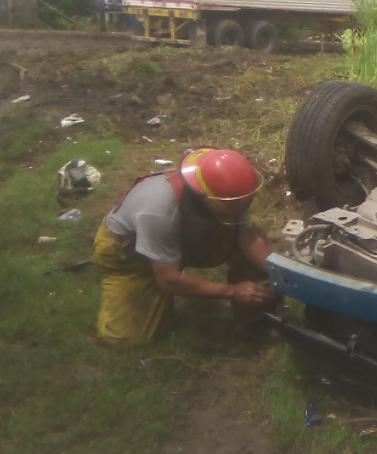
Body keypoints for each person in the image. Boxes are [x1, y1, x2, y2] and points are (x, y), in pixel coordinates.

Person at [93, 146, 276, 346]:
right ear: (203, 195)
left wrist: (280, 271)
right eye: (231, 206)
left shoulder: (227, 194)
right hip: (129, 254)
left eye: (245, 202)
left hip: (176, 238)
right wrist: (232, 291)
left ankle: (253, 315)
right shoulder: (158, 212)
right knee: (127, 338)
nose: (240, 210)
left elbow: (247, 237)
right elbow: (169, 280)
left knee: (252, 235)